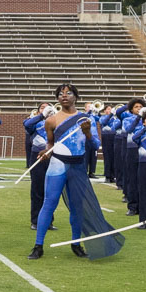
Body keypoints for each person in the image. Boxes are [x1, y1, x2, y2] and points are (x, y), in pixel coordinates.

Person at [28, 85, 122, 261]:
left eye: (68, 93)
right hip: (57, 165)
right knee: (49, 204)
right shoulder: (51, 121)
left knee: (77, 207)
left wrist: (87, 132)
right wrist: (45, 151)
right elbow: (51, 143)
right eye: (60, 94)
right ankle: (38, 245)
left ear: (76, 97)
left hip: (78, 167)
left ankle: (76, 243)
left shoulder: (87, 119)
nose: (64, 96)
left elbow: (94, 145)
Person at [24, 103, 55, 231]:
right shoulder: (33, 122)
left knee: (51, 190)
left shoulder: (55, 122)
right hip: (37, 156)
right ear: (38, 111)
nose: (45, 109)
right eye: (42, 107)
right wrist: (42, 115)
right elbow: (27, 125)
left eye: (47, 107)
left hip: (52, 156)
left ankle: (49, 221)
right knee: (37, 190)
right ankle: (36, 221)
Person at [99, 106, 118, 182]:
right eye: (108, 109)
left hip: (114, 136)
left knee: (114, 157)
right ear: (105, 110)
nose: (109, 110)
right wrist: (110, 115)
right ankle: (107, 176)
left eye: (110, 109)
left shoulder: (115, 118)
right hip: (106, 137)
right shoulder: (102, 117)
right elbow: (103, 122)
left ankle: (113, 176)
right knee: (107, 156)